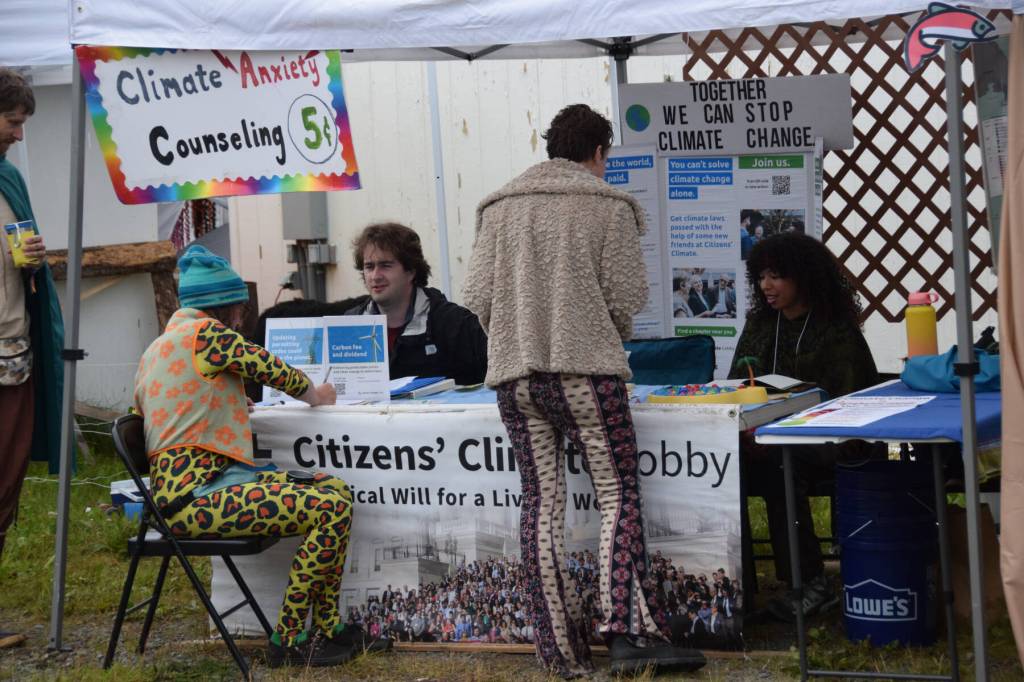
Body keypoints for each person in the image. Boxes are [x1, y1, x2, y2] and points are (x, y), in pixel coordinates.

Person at [465, 103, 705, 679]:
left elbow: (476, 298)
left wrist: (515, 337)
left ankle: (559, 653)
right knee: (616, 493)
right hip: (588, 374)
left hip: (516, 378)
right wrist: (603, 330)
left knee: (541, 503)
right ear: (599, 153)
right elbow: (626, 296)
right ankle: (628, 631)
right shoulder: (608, 207)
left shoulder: (497, 208)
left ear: (551, 146)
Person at [133, 244, 390, 667]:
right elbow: (271, 368)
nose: (242, 318)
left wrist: (220, 406)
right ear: (228, 309)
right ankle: (290, 638)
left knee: (334, 490)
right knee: (329, 507)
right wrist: (316, 394)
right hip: (200, 498)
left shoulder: (156, 349)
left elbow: (155, 415)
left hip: (184, 496)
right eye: (239, 309)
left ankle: (327, 627)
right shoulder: (208, 335)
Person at [728, 232, 881, 621]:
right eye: (761, 275)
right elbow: (736, 382)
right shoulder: (761, 326)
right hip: (764, 436)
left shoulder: (836, 330)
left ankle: (809, 582)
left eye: (776, 275)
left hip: (833, 440)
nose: (766, 286)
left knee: (782, 463)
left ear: (804, 277)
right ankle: (737, 587)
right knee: (727, 467)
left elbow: (853, 404)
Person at [0, 67, 64, 647]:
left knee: (5, 481)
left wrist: (30, 259)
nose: (19, 134)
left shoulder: (8, 179)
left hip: (12, 351)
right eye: (12, 121)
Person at [345, 222, 487, 385]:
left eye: (385, 266)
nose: (375, 276)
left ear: (411, 271)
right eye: (369, 267)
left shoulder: (454, 324)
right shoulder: (349, 326)